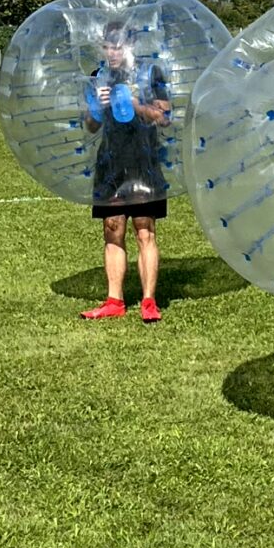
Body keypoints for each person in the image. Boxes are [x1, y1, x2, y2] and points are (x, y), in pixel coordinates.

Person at [80, 22, 172, 323]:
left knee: (144, 229)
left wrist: (137, 105)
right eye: (108, 46)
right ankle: (114, 301)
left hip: (144, 161)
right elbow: (91, 126)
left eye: (118, 46)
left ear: (130, 46)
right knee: (112, 228)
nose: (113, 52)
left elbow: (165, 117)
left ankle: (148, 302)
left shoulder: (151, 74)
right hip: (111, 161)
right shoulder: (98, 77)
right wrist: (95, 108)